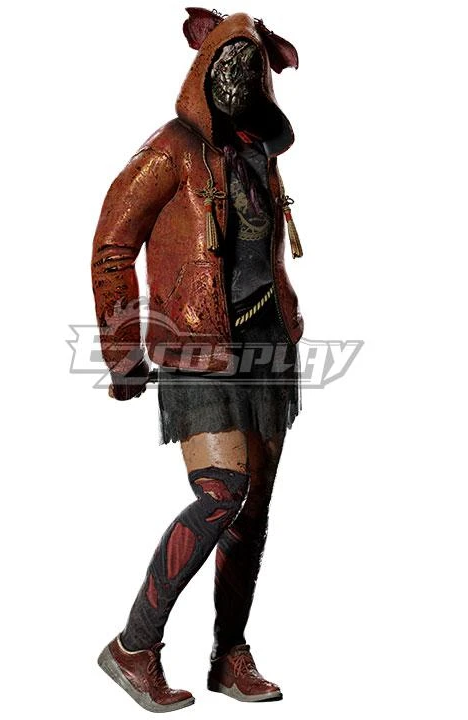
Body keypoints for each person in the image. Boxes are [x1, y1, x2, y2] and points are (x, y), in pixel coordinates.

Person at [91, 8, 305, 713]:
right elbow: (113, 245)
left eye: (252, 70)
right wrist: (124, 352)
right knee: (221, 493)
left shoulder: (260, 150)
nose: (241, 81)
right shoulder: (171, 149)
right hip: (196, 347)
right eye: (228, 69)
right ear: (204, 76)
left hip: (268, 342)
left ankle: (228, 654)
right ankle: (134, 647)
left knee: (253, 506)